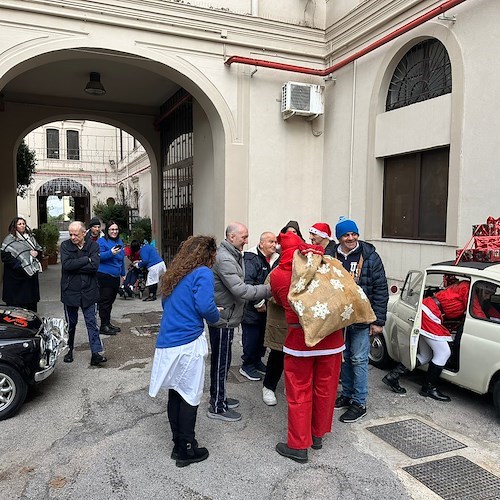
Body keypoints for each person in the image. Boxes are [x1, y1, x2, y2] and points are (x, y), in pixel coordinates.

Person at [270, 231, 344, 463]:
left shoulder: (278, 275)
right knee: (325, 389)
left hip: (300, 341)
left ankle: (298, 445)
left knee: (299, 392)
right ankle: (317, 435)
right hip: (332, 339)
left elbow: (282, 302)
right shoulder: (325, 265)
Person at [149, 236, 219, 467]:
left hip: (168, 341)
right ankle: (187, 450)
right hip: (188, 343)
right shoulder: (203, 273)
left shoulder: (174, 273)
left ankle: (178, 444)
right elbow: (205, 306)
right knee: (190, 394)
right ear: (208, 255)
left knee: (176, 393)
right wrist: (217, 317)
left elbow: (170, 305)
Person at [382, 279, 500, 401]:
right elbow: (477, 312)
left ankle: (392, 376)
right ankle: (429, 388)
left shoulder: (467, 287)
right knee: (444, 352)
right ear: (482, 288)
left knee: (425, 355)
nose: (487, 297)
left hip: (429, 311)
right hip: (431, 313)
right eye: (487, 293)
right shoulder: (468, 289)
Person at [207, 222, 271, 422]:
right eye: (243, 237)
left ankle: (220, 397)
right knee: (220, 363)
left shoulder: (233, 254)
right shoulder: (225, 258)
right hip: (223, 318)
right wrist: (270, 289)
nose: (246, 240)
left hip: (229, 316)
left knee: (223, 362)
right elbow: (241, 290)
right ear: (231, 237)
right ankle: (217, 406)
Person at [333, 216, 388, 423]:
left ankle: (359, 402)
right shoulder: (332, 256)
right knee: (344, 358)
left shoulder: (370, 256)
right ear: (339, 237)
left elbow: (381, 288)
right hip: (339, 319)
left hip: (362, 318)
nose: (351, 238)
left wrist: (378, 321)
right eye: (346, 235)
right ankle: (347, 395)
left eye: (354, 234)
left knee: (358, 359)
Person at [261, 221, 306, 406]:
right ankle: (269, 387)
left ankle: (291, 386)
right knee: (277, 356)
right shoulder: (278, 270)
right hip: (280, 322)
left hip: (299, 324)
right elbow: (266, 290)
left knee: (296, 359)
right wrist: (282, 298)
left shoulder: (305, 269)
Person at [60, 221, 107, 365]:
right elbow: (66, 265)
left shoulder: (93, 245)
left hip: (89, 290)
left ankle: (96, 353)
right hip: (70, 291)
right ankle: (69, 350)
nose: (73, 237)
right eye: (70, 234)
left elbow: (94, 266)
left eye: (76, 234)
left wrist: (76, 264)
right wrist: (86, 259)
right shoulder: (65, 246)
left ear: (84, 233)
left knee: (91, 322)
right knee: (71, 324)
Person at [239, 232, 279, 381]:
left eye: (275, 242)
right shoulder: (251, 259)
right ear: (261, 243)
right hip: (251, 309)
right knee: (252, 337)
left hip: (267, 309)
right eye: (270, 242)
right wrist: (258, 302)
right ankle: (247, 364)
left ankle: (257, 360)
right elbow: (247, 282)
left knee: (262, 337)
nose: (274, 245)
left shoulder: (275, 259)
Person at [1, 217, 43, 312]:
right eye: (20, 224)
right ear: (14, 226)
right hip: (15, 278)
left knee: (31, 306)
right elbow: (5, 256)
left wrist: (36, 253)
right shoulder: (9, 239)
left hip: (30, 277)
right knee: (17, 308)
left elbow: (39, 249)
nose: (22, 225)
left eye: (23, 223)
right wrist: (19, 266)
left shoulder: (30, 238)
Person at [97, 221, 126, 335]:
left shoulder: (119, 241)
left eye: (116, 229)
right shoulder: (102, 242)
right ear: (107, 230)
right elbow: (98, 257)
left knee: (111, 300)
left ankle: (108, 323)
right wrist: (111, 253)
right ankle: (103, 325)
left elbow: (121, 258)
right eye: (112, 229)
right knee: (105, 301)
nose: (114, 231)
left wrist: (123, 273)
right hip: (104, 275)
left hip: (115, 276)